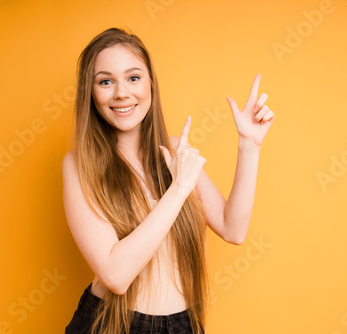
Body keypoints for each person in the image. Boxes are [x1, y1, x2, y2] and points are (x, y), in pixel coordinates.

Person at [62, 27, 275, 334]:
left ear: (150, 84)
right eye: (105, 81)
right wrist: (178, 189)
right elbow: (116, 275)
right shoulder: (79, 164)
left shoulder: (176, 151)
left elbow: (233, 229)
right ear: (91, 93)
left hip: (182, 325)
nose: (122, 92)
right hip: (112, 324)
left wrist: (249, 145)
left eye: (133, 78)